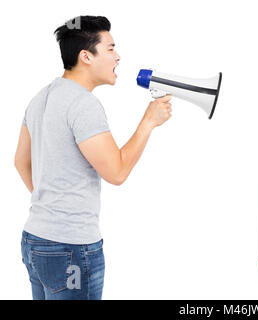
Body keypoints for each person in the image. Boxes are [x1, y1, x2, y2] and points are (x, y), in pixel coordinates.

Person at [14, 15, 172, 300]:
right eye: (110, 48)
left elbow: (20, 162)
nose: (118, 56)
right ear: (86, 56)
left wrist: (50, 205)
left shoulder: (39, 97)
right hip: (71, 249)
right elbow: (117, 172)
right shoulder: (83, 104)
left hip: (35, 240)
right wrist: (148, 122)